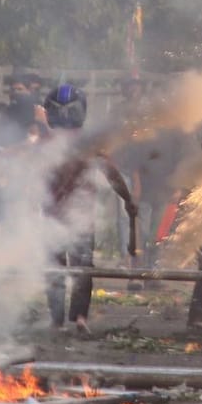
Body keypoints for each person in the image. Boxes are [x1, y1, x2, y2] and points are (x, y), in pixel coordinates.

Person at [41, 86, 137, 339]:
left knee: (58, 269)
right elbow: (111, 173)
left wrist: (127, 199)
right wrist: (127, 199)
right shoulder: (86, 143)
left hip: (59, 217)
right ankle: (77, 318)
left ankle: (59, 320)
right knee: (80, 269)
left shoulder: (48, 143)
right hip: (73, 217)